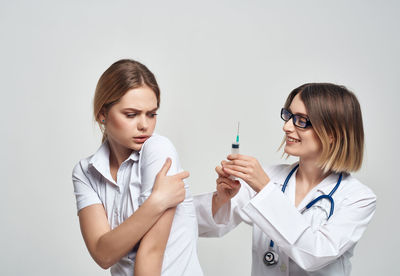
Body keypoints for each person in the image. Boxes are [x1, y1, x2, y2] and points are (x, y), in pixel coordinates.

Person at [194, 83, 376, 275]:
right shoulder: (268, 177)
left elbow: (315, 254)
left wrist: (265, 190)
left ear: (332, 134)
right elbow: (198, 224)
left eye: (301, 120)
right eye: (288, 116)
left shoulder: (358, 198)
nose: (286, 126)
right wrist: (220, 199)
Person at [72, 59, 203, 276]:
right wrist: (156, 203)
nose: (144, 125)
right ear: (102, 114)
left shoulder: (158, 149)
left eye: (151, 114)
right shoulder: (86, 171)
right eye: (131, 114)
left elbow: (151, 253)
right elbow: (103, 254)